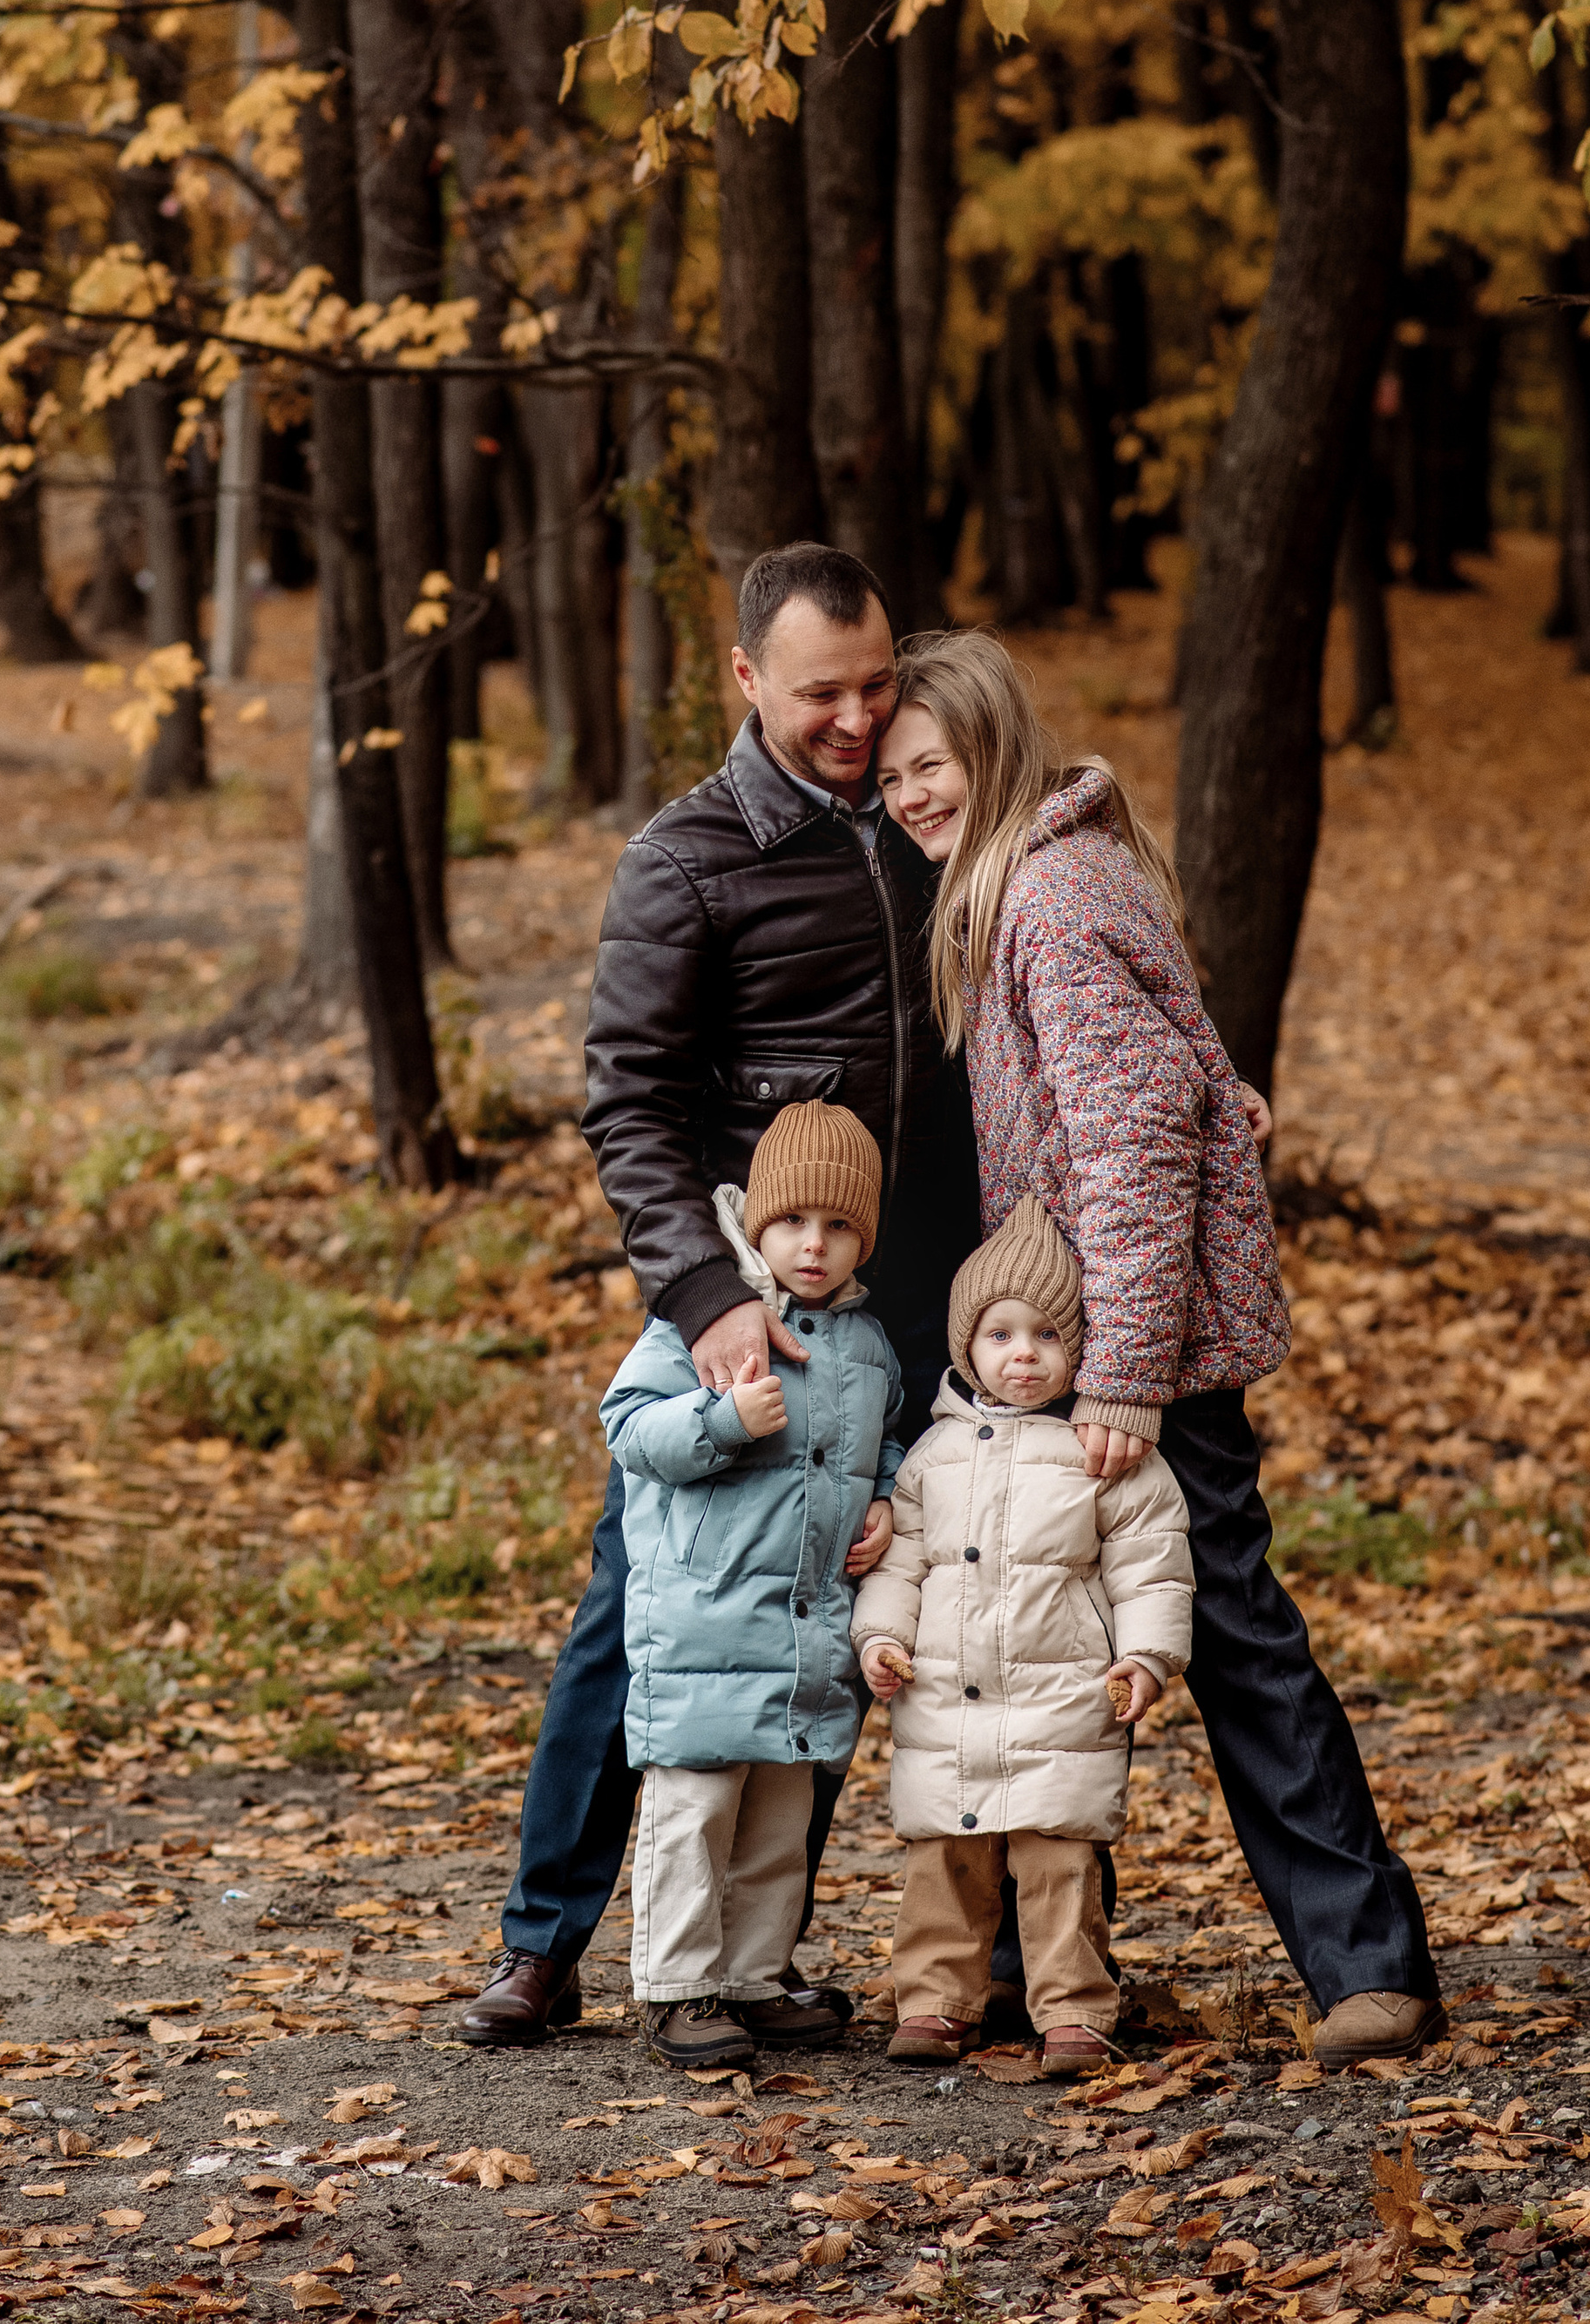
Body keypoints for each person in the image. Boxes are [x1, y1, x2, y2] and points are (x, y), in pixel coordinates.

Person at [875, 628, 1445, 2070]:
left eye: (928, 766)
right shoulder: (1041, 876)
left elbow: (1130, 1153)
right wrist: (1223, 1080)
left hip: (1142, 1355)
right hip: (1075, 1339)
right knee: (1032, 1629)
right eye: (890, 777)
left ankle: (1368, 1962)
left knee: (1234, 1633)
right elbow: (1168, 1066)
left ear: (990, 749)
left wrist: (1123, 1370)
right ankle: (1028, 1971)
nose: (909, 797)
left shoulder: (1048, 900)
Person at [461, 541, 988, 2047]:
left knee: (826, 1609)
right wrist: (704, 1298)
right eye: (825, 690)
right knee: (646, 1607)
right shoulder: (689, 856)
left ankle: (749, 1959)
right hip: (748, 1293)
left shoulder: (926, 819)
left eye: (879, 683)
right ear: (749, 679)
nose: (857, 716)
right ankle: (545, 1942)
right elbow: (628, 1100)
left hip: (901, 1302)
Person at [854, 1198, 1193, 2076]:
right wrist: (881, 1640)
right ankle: (933, 2000)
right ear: (968, 1345)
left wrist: (1145, 1658)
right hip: (947, 1701)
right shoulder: (931, 1456)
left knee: (1059, 1867)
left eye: (1046, 1336)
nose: (1023, 1355)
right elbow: (900, 1565)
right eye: (1000, 1335)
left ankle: (1076, 2012)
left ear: (1077, 1348)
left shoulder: (1106, 1452)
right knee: (946, 1864)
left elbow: (1151, 1564)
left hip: (1062, 1699)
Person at [603, 1101, 903, 2069]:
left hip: (804, 1628)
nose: (813, 1246)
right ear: (755, 1224)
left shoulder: (868, 1349)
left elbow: (887, 1440)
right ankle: (677, 1985)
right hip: (702, 1619)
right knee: (693, 1811)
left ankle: (753, 1975)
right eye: (791, 1224)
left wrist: (888, 1500)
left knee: (781, 1816)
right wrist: (722, 1419)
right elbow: (629, 1428)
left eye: (839, 1227)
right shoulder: (697, 1323)